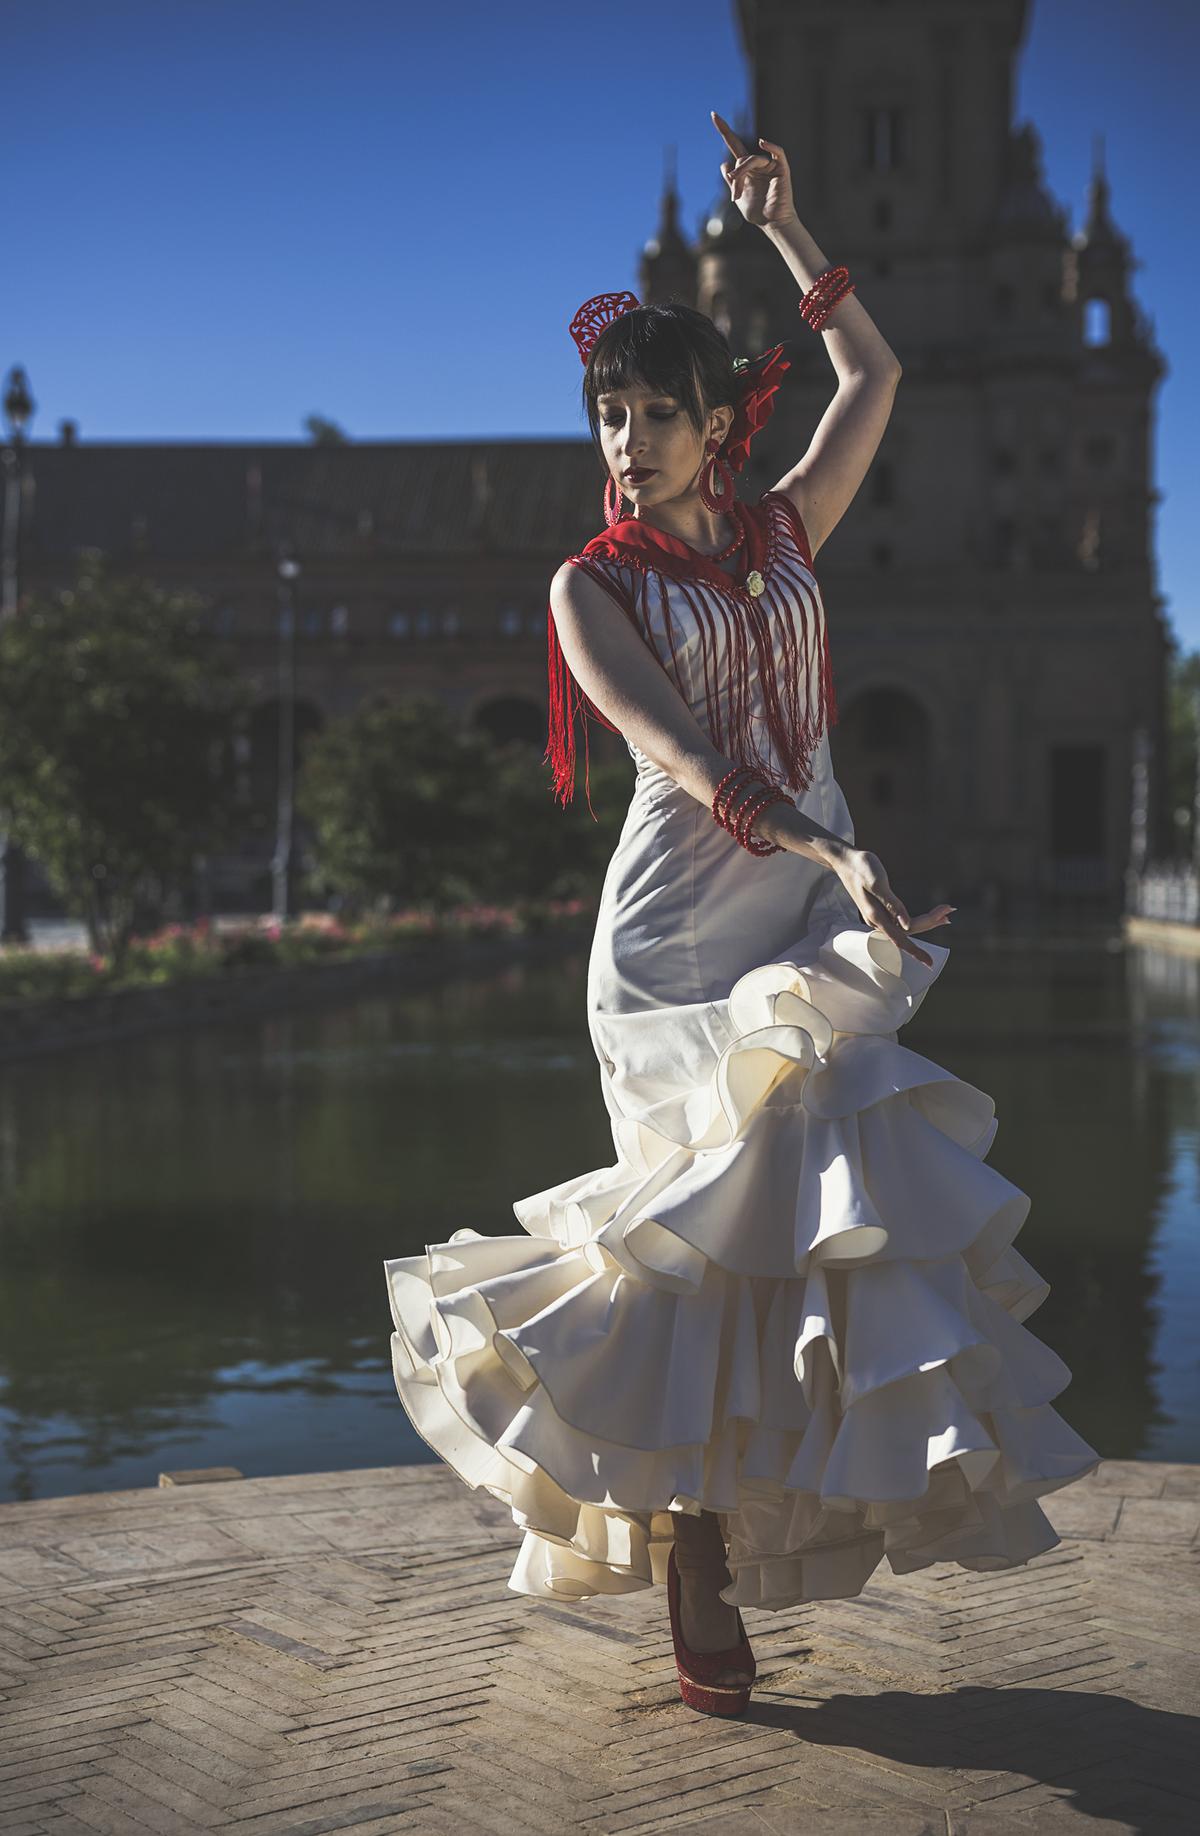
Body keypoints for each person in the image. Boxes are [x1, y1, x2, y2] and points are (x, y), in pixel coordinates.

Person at [383, 112, 1100, 1718]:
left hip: (810, 907)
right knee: (690, 1255)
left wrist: (785, 227)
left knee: (825, 1205)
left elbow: (877, 382)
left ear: (721, 424)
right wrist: (837, 858)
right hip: (680, 936)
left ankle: (755, 1519)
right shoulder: (593, 586)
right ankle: (693, 1550)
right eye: (607, 417)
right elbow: (687, 754)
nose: (625, 443)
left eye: (652, 414)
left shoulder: (786, 530)